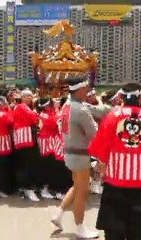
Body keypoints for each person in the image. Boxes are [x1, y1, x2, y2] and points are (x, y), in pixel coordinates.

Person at [88, 83, 141, 240]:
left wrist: (100, 167)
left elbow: (102, 145)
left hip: (114, 180)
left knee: (113, 228)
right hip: (140, 180)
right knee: (136, 228)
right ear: (140, 98)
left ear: (120, 98)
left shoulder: (113, 116)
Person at [51, 76, 99, 239]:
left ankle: (59, 214)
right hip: (80, 154)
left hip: (69, 151)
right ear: (79, 90)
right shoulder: (81, 110)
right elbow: (94, 134)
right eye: (85, 89)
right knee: (83, 192)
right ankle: (80, 227)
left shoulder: (67, 105)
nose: (87, 91)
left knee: (77, 187)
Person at [12, 89, 40, 201]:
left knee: (28, 164)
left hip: (27, 138)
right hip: (24, 138)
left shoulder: (26, 107)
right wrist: (35, 113)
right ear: (22, 97)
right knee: (27, 164)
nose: (30, 98)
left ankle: (27, 187)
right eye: (27, 96)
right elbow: (33, 118)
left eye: (31, 96)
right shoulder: (20, 107)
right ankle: (27, 188)